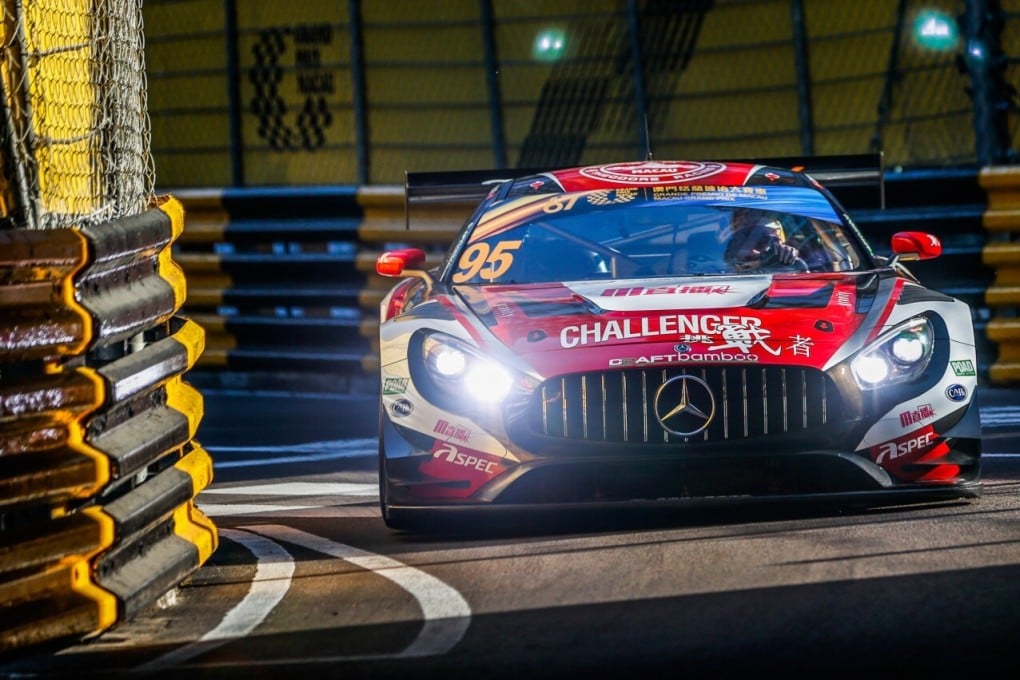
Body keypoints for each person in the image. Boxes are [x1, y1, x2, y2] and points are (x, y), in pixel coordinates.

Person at [721, 207, 801, 271]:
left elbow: (804, 272)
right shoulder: (717, 267)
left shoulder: (782, 264)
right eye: (745, 240)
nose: (753, 251)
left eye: (762, 242)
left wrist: (789, 259)